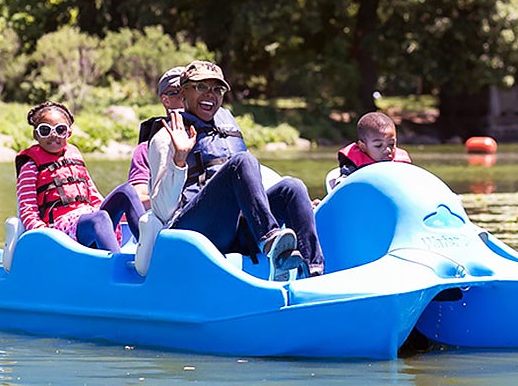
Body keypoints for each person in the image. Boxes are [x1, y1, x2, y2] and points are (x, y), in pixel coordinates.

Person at [136, 60, 324, 280]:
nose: (210, 94)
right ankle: (273, 246)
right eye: (201, 87)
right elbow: (162, 211)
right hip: (192, 232)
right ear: (183, 92)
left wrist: (302, 207)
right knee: (241, 162)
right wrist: (179, 159)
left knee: (293, 187)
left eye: (218, 89)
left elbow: (251, 181)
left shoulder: (225, 128)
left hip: (235, 229)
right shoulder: (164, 138)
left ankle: (313, 272)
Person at [15, 100, 145, 253]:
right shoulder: (30, 166)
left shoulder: (74, 155)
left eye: (60, 130)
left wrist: (119, 215)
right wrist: (43, 235)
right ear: (35, 135)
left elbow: (93, 195)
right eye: (45, 130)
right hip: (60, 231)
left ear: (69, 133)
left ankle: (151, 251)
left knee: (126, 191)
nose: (53, 135)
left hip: (89, 219)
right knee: (100, 218)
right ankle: (115, 264)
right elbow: (27, 209)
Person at [127, 66, 187, 209]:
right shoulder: (146, 149)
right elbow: (138, 198)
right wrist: (178, 202)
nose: (187, 98)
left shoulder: (214, 140)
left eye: (193, 91)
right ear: (166, 101)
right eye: (181, 93)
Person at [332, 111, 412, 186]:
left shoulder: (401, 164)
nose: (387, 150)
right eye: (378, 145)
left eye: (391, 144)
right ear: (363, 146)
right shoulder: (352, 167)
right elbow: (342, 186)